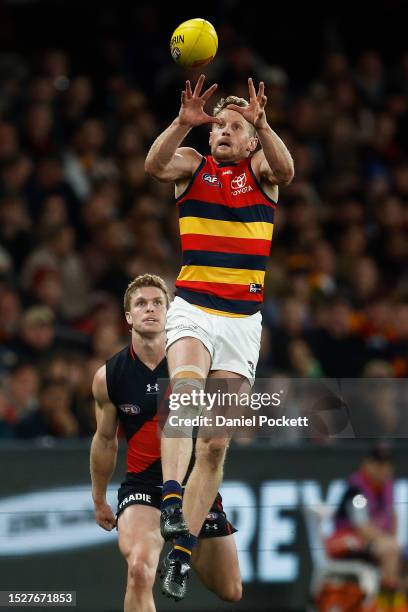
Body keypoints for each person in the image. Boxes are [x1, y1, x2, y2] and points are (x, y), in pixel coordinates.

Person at [145, 74, 294, 596]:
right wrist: (181, 124)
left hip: (242, 324)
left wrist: (265, 125)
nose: (225, 133)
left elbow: (287, 168)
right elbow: (155, 164)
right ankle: (169, 499)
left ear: (251, 139)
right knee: (185, 394)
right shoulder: (194, 168)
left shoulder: (262, 173)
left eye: (236, 127)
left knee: (215, 444)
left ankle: (181, 553)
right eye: (220, 127)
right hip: (194, 309)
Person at [90, 274, 242, 610]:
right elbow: (104, 441)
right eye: (141, 303)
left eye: (158, 302)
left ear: (170, 312)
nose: (150, 309)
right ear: (128, 316)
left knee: (230, 589)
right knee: (140, 571)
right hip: (143, 488)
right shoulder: (109, 376)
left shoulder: (199, 364)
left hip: (195, 486)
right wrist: (100, 499)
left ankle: (183, 548)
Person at [326, 444, 405, 605]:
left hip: (374, 543)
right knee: (390, 550)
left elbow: (393, 516)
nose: (383, 469)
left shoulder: (387, 488)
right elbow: (361, 526)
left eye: (387, 465)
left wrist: (391, 541)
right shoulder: (357, 492)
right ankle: (385, 604)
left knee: (395, 551)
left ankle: (395, 601)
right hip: (347, 542)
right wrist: (389, 542)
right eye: (378, 464)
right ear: (367, 464)